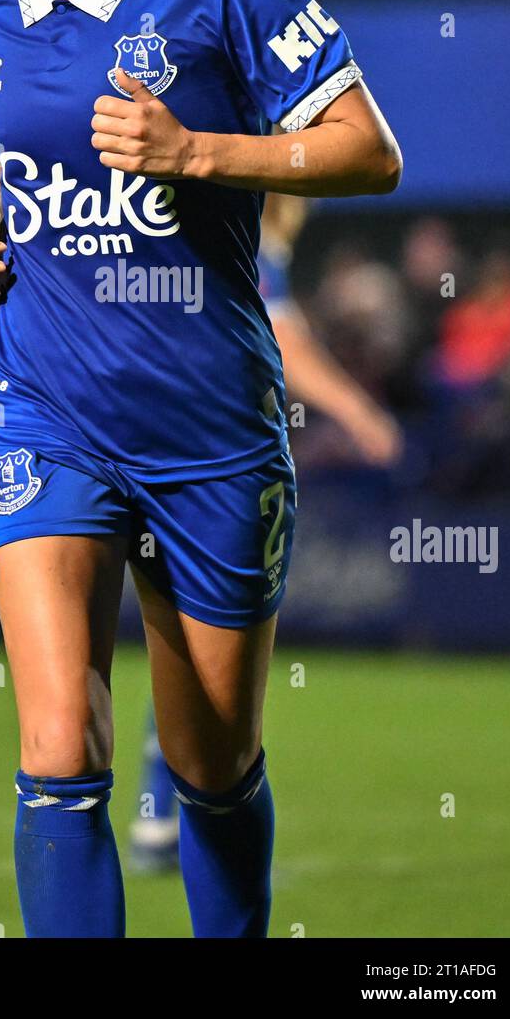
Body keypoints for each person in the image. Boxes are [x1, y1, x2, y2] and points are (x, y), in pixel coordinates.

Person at [0, 0, 402, 939]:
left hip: (207, 429)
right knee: (60, 744)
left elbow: (369, 152)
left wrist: (198, 151)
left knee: (208, 768)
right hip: (37, 408)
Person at [129, 195, 404, 873]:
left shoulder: (222, 225)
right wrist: (359, 413)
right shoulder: (237, 218)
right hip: (194, 451)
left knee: (183, 643)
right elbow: (283, 338)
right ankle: (176, 818)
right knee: (206, 649)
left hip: (152, 434)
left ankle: (160, 816)